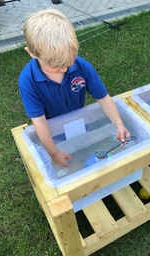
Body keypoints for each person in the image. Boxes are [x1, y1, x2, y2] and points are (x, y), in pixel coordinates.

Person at [18, 9, 130, 168]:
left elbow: (103, 98)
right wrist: (54, 152)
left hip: (80, 122)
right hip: (53, 133)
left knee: (81, 148)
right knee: (66, 158)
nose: (64, 69)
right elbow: (40, 122)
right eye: (55, 66)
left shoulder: (81, 66)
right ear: (31, 53)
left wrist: (118, 124)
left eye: (67, 63)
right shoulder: (28, 80)